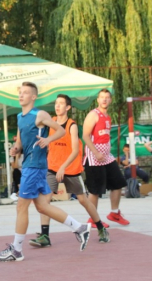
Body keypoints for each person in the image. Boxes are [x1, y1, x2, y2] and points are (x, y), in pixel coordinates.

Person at [0, 82, 90, 262]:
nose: (21, 95)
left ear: (33, 97)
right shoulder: (20, 117)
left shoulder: (39, 114)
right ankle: (80, 228)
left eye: (25, 93)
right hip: (31, 166)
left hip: (35, 167)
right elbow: (21, 142)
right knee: (42, 206)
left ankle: (16, 249)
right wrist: (15, 149)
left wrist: (48, 139)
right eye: (20, 93)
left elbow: (61, 130)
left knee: (21, 206)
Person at [29, 94, 110, 248]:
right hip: (52, 167)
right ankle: (45, 235)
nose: (57, 106)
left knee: (82, 200)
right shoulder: (50, 123)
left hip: (71, 168)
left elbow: (75, 151)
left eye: (61, 104)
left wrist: (63, 167)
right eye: (56, 103)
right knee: (44, 201)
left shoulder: (71, 126)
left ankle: (100, 227)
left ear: (68, 107)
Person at [82, 89, 129, 226]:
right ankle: (93, 219)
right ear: (97, 100)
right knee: (95, 190)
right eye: (102, 97)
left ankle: (114, 213)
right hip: (94, 157)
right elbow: (85, 135)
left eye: (107, 97)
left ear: (110, 100)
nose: (104, 99)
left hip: (107, 157)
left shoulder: (107, 116)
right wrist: (96, 152)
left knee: (118, 183)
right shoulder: (93, 115)